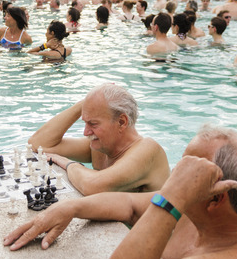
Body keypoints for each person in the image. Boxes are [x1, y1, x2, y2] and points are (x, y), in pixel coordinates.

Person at [5, 125, 237, 259]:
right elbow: (127, 204)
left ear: (217, 197)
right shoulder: (202, 210)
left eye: (187, 173)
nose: (175, 177)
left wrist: (172, 199)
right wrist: (71, 208)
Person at [27, 83, 170, 195]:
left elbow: (93, 186)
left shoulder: (147, 150)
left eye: (93, 124)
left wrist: (67, 163)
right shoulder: (101, 147)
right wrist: (85, 103)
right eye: (85, 122)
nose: (86, 132)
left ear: (121, 122)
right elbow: (39, 145)